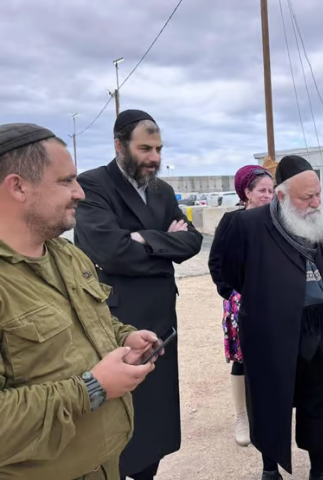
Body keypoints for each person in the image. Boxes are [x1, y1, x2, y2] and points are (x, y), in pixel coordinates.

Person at [0, 123, 162, 479]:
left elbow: (91, 320)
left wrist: (124, 337)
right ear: (18, 186)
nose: (80, 193)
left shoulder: (69, 256)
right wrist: (91, 388)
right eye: (65, 181)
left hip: (106, 464)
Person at [74, 110, 203, 480]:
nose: (155, 158)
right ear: (119, 145)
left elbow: (192, 241)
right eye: (145, 148)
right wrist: (166, 242)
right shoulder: (94, 185)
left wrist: (143, 237)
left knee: (157, 412)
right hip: (119, 318)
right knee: (122, 409)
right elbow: (110, 251)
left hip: (162, 316)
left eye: (159, 148)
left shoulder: (161, 190)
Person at [219, 155, 323, 480]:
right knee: (270, 399)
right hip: (271, 331)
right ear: (281, 196)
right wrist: (263, 301)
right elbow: (225, 274)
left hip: (321, 328)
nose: (315, 202)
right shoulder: (247, 226)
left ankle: (319, 469)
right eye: (306, 197)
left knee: (317, 398)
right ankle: (270, 469)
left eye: (318, 194)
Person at [208, 164, 275, 446]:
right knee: (242, 361)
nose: (268, 196)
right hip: (242, 302)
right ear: (246, 192)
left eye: (272, 190)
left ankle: (271, 412)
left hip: (275, 301)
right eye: (262, 191)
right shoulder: (231, 222)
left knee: (274, 359)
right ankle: (242, 416)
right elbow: (216, 261)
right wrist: (231, 293)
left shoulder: (280, 219)